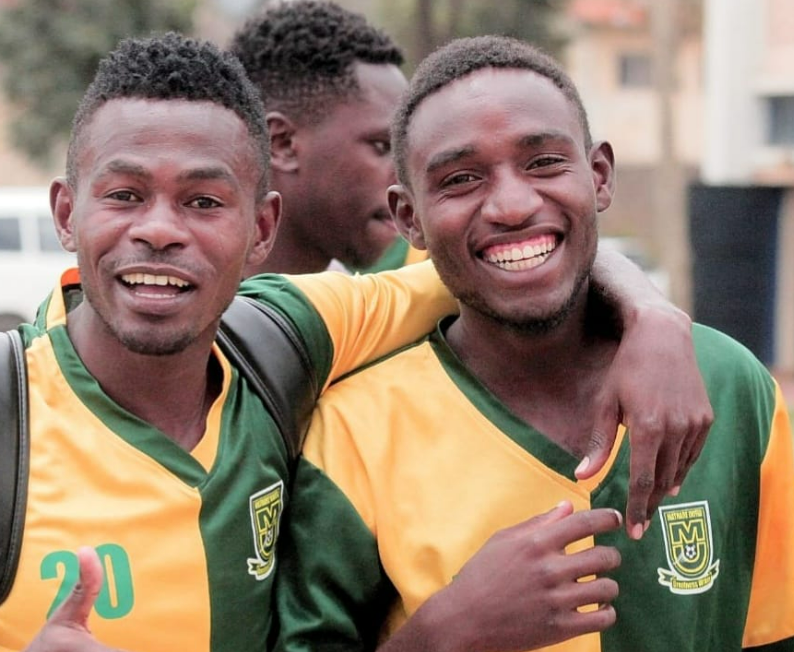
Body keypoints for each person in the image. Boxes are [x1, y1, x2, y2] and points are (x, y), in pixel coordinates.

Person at [0, 33, 707, 652]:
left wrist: (655, 320)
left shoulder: (285, 346)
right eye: (123, 196)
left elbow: (503, 255)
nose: (160, 230)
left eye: (202, 200)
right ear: (66, 214)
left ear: (262, 229)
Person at [274, 35, 794, 652]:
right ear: (408, 217)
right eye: (461, 179)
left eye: (544, 162)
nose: (514, 205)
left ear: (598, 175)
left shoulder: (730, 385)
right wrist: (445, 634)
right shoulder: (354, 431)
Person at [230, 0, 711, 533]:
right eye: (376, 146)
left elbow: (530, 260)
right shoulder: (294, 319)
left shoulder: (395, 276)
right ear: (282, 144)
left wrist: (651, 313)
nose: (509, 206)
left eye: (542, 163)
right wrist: (647, 307)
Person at [229, 0, 424, 276]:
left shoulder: (363, 309)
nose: (408, 177)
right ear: (281, 143)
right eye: (382, 147)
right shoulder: (185, 309)